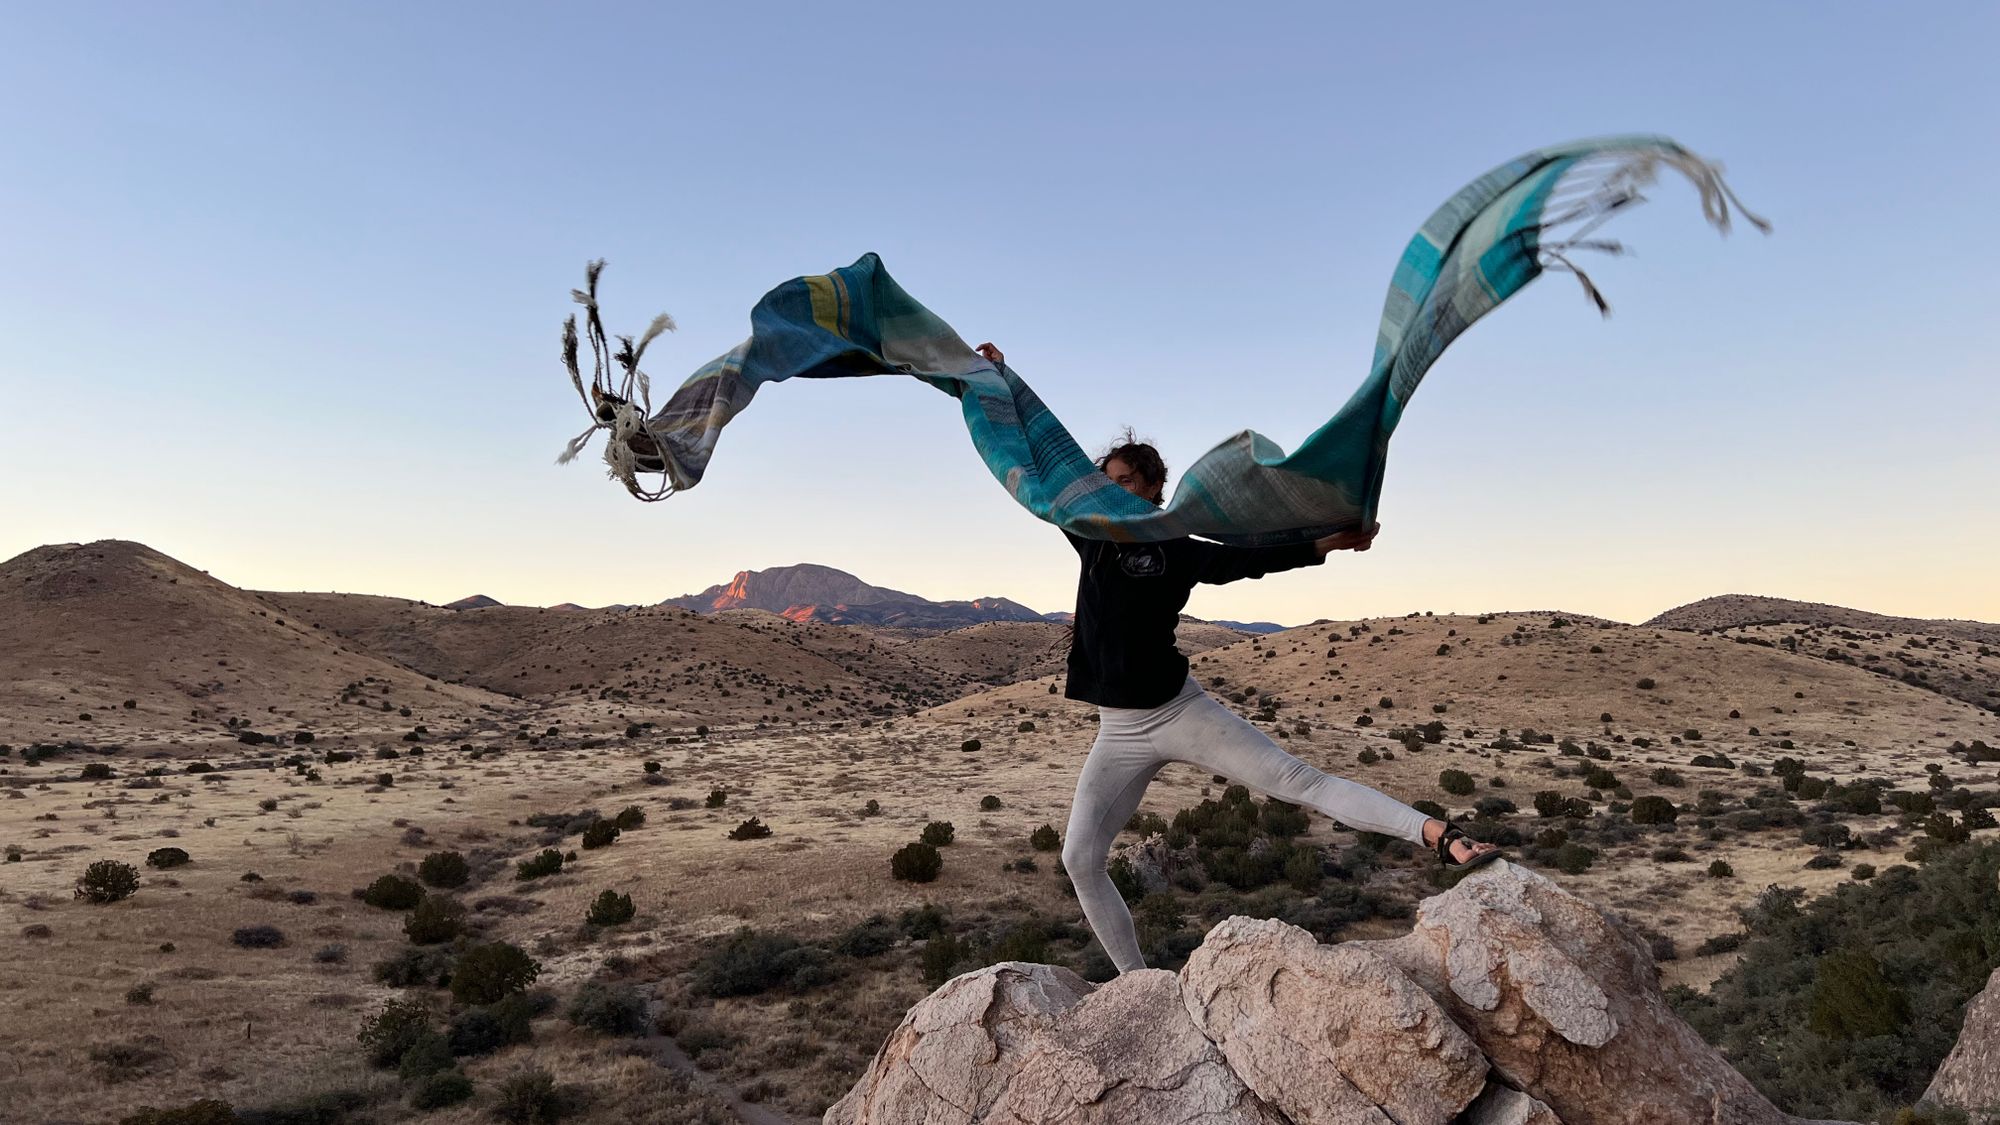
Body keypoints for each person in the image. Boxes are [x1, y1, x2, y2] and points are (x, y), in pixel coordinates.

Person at [974, 340, 1502, 976]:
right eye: (1105, 482)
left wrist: (1329, 541)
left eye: (1123, 483)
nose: (1110, 492)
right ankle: (1140, 987)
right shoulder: (1089, 533)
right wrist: (999, 380)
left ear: (1153, 489)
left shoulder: (1182, 546)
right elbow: (1047, 460)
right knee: (1079, 859)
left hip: (1178, 711)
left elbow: (1256, 557)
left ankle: (1441, 836)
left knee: (1298, 782)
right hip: (1118, 731)